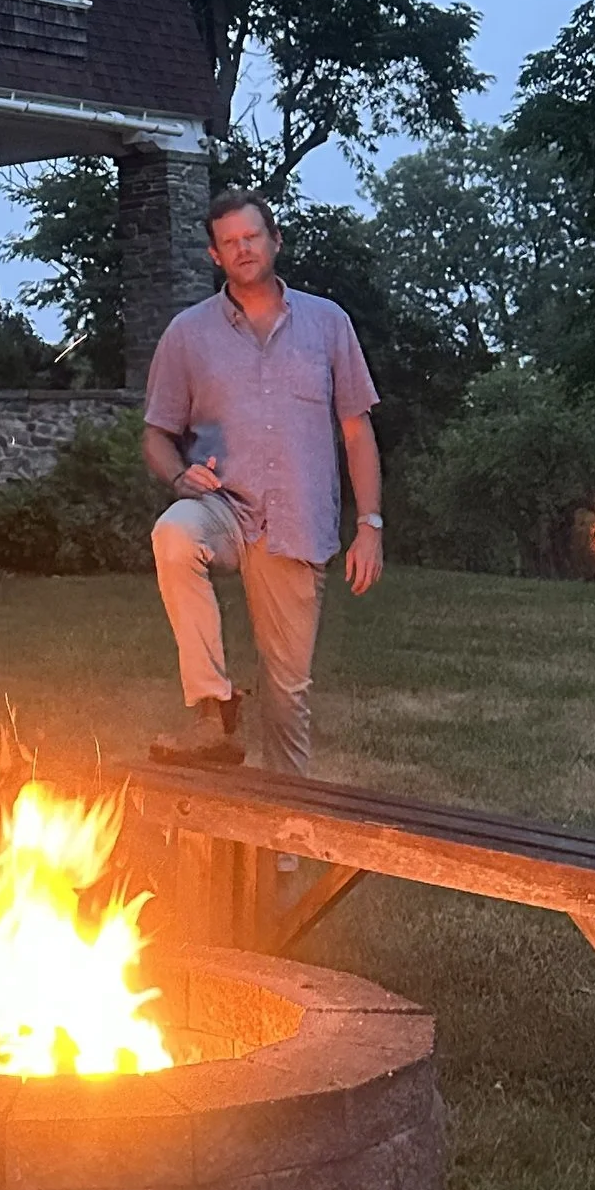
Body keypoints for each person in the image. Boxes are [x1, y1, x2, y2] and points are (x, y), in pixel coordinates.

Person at [140, 187, 383, 774]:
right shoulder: (187, 334)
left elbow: (357, 432)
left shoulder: (327, 323)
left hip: (296, 526)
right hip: (221, 506)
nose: (243, 248)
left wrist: (370, 525)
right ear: (214, 256)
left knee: (286, 698)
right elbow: (155, 435)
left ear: (275, 240)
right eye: (230, 242)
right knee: (174, 535)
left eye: (252, 237)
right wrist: (177, 475)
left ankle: (285, 831)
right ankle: (213, 709)